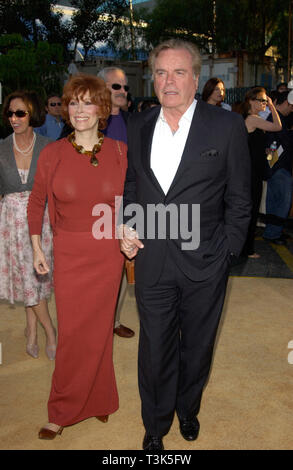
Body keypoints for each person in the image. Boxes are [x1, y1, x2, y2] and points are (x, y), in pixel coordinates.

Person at [119, 39, 251, 450]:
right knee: (155, 347)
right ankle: (155, 425)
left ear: (196, 78)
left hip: (206, 260)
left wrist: (227, 251)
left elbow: (241, 198)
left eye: (178, 72)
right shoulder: (139, 124)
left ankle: (187, 408)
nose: (169, 81)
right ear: (153, 79)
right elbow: (133, 184)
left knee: (197, 347)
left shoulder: (225, 125)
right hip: (153, 258)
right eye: (161, 72)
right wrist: (127, 224)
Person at [27, 74, 127, 439]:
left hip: (106, 254)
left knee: (100, 331)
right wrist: (38, 247)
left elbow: (130, 202)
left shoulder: (120, 152)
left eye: (87, 102)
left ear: (102, 109)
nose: (79, 110)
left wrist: (130, 233)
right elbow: (37, 202)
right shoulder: (52, 154)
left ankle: (99, 399)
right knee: (72, 333)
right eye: (73, 103)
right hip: (69, 253)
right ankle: (62, 409)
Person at [0, 91, 56, 360]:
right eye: (10, 113)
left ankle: (34, 329)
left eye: (20, 113)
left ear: (32, 114)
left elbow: (55, 189)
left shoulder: (48, 146)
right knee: (27, 280)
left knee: (33, 280)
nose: (14, 118)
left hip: (40, 221)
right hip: (11, 223)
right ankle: (47, 329)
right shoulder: (0, 148)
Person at [98, 66, 135, 339]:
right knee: (99, 268)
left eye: (124, 87)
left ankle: (113, 320)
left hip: (127, 203)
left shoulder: (132, 122)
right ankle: (96, 321)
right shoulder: (89, 121)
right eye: (116, 87)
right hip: (97, 206)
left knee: (123, 263)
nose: (123, 91)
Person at [241, 87, 282, 258]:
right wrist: (273, 106)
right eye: (262, 100)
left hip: (254, 170)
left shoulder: (255, 119)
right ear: (251, 101)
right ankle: (246, 249)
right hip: (250, 173)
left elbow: (252, 144)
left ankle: (245, 248)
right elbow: (278, 126)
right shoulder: (252, 119)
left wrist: (265, 150)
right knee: (250, 211)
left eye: (266, 100)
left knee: (250, 210)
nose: (265, 103)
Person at [263, 90, 293, 244]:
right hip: (278, 167)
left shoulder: (283, 119)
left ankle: (272, 232)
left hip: (277, 167)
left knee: (275, 201)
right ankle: (273, 233)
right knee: (282, 201)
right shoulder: (277, 119)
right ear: (287, 102)